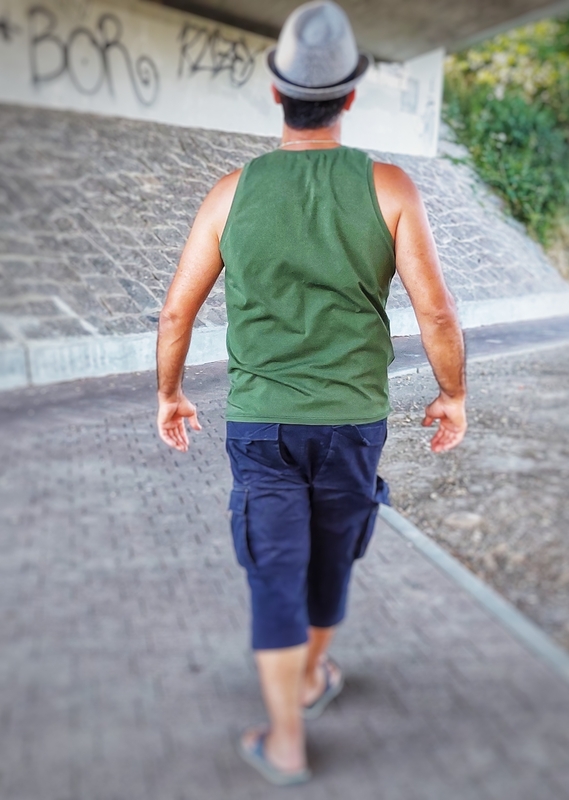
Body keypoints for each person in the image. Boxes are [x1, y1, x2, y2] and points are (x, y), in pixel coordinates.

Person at [156, 0, 466, 786]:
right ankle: (309, 679)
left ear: (277, 92)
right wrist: (451, 394)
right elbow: (436, 311)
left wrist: (171, 393)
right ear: (349, 96)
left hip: (261, 426)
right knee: (332, 559)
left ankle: (286, 741)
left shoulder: (231, 193)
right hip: (351, 422)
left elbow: (176, 311)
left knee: (274, 571)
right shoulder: (391, 188)